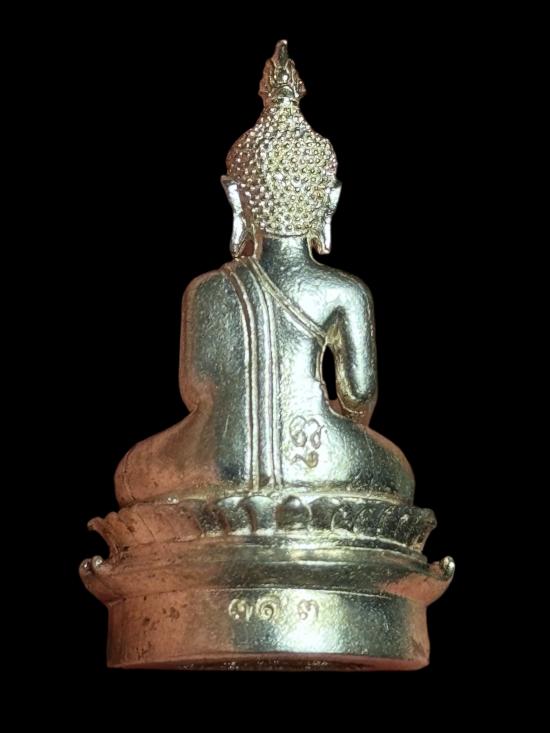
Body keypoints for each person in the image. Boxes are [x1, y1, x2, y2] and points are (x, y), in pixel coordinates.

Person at [115, 41, 414, 507]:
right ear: (330, 199)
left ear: (236, 197)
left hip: (216, 461)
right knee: (394, 472)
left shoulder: (207, 290)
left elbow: (197, 390)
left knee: (135, 473)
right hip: (318, 455)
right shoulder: (344, 291)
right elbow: (359, 398)